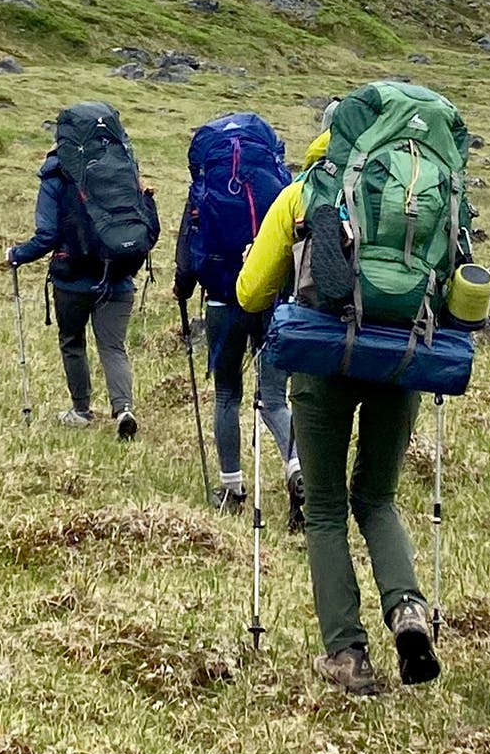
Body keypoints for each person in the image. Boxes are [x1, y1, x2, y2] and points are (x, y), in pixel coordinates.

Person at [235, 114, 442, 695]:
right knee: (377, 498)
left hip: (323, 361)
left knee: (325, 508)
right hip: (400, 358)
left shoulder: (303, 190)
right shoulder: (417, 188)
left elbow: (249, 292)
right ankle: (407, 610)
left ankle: (347, 655)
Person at [174, 113, 303, 527]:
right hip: (273, 299)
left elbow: (187, 247)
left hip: (222, 300)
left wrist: (183, 287)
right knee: (275, 398)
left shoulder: (203, 188)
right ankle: (298, 467)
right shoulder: (280, 184)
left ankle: (231, 486)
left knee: (228, 394)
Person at [4, 110, 155, 438]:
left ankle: (82, 410)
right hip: (118, 273)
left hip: (71, 278)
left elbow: (46, 235)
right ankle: (123, 408)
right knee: (113, 347)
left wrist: (16, 255)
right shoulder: (124, 169)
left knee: (72, 341)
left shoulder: (55, 175)